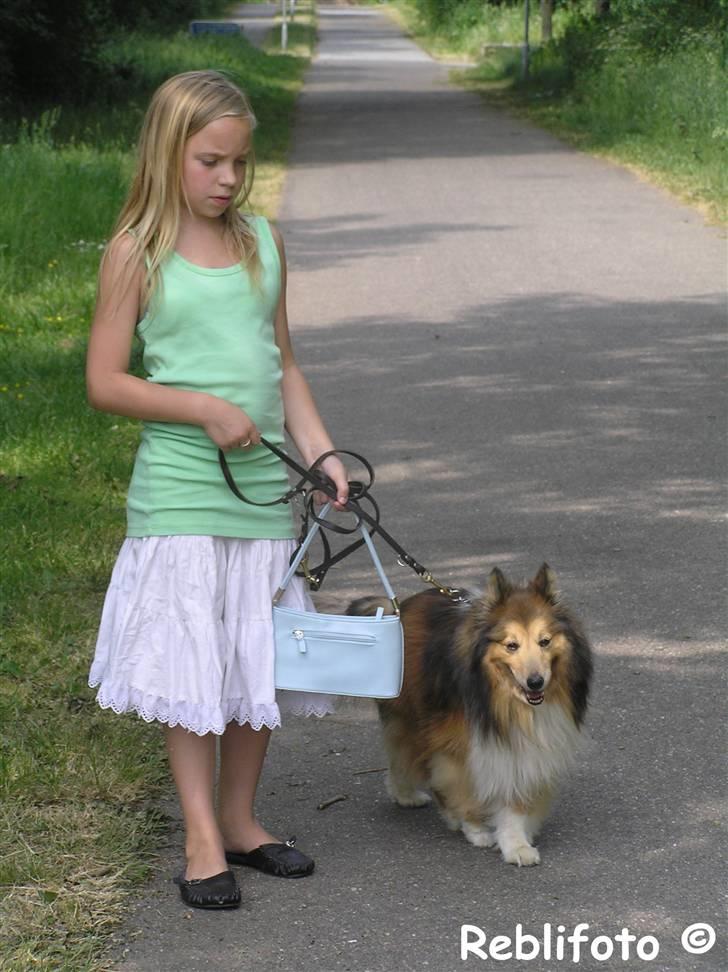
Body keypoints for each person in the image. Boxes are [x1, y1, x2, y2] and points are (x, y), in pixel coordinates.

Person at [86, 70, 349, 910]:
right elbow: (105, 380)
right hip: (181, 497)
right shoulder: (136, 250)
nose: (228, 179)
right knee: (195, 662)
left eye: (240, 162)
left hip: (265, 496)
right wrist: (199, 407)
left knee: (252, 661)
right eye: (209, 161)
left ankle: (241, 818)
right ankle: (201, 835)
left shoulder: (261, 243)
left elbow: (286, 365)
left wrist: (322, 452)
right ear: (170, 154)